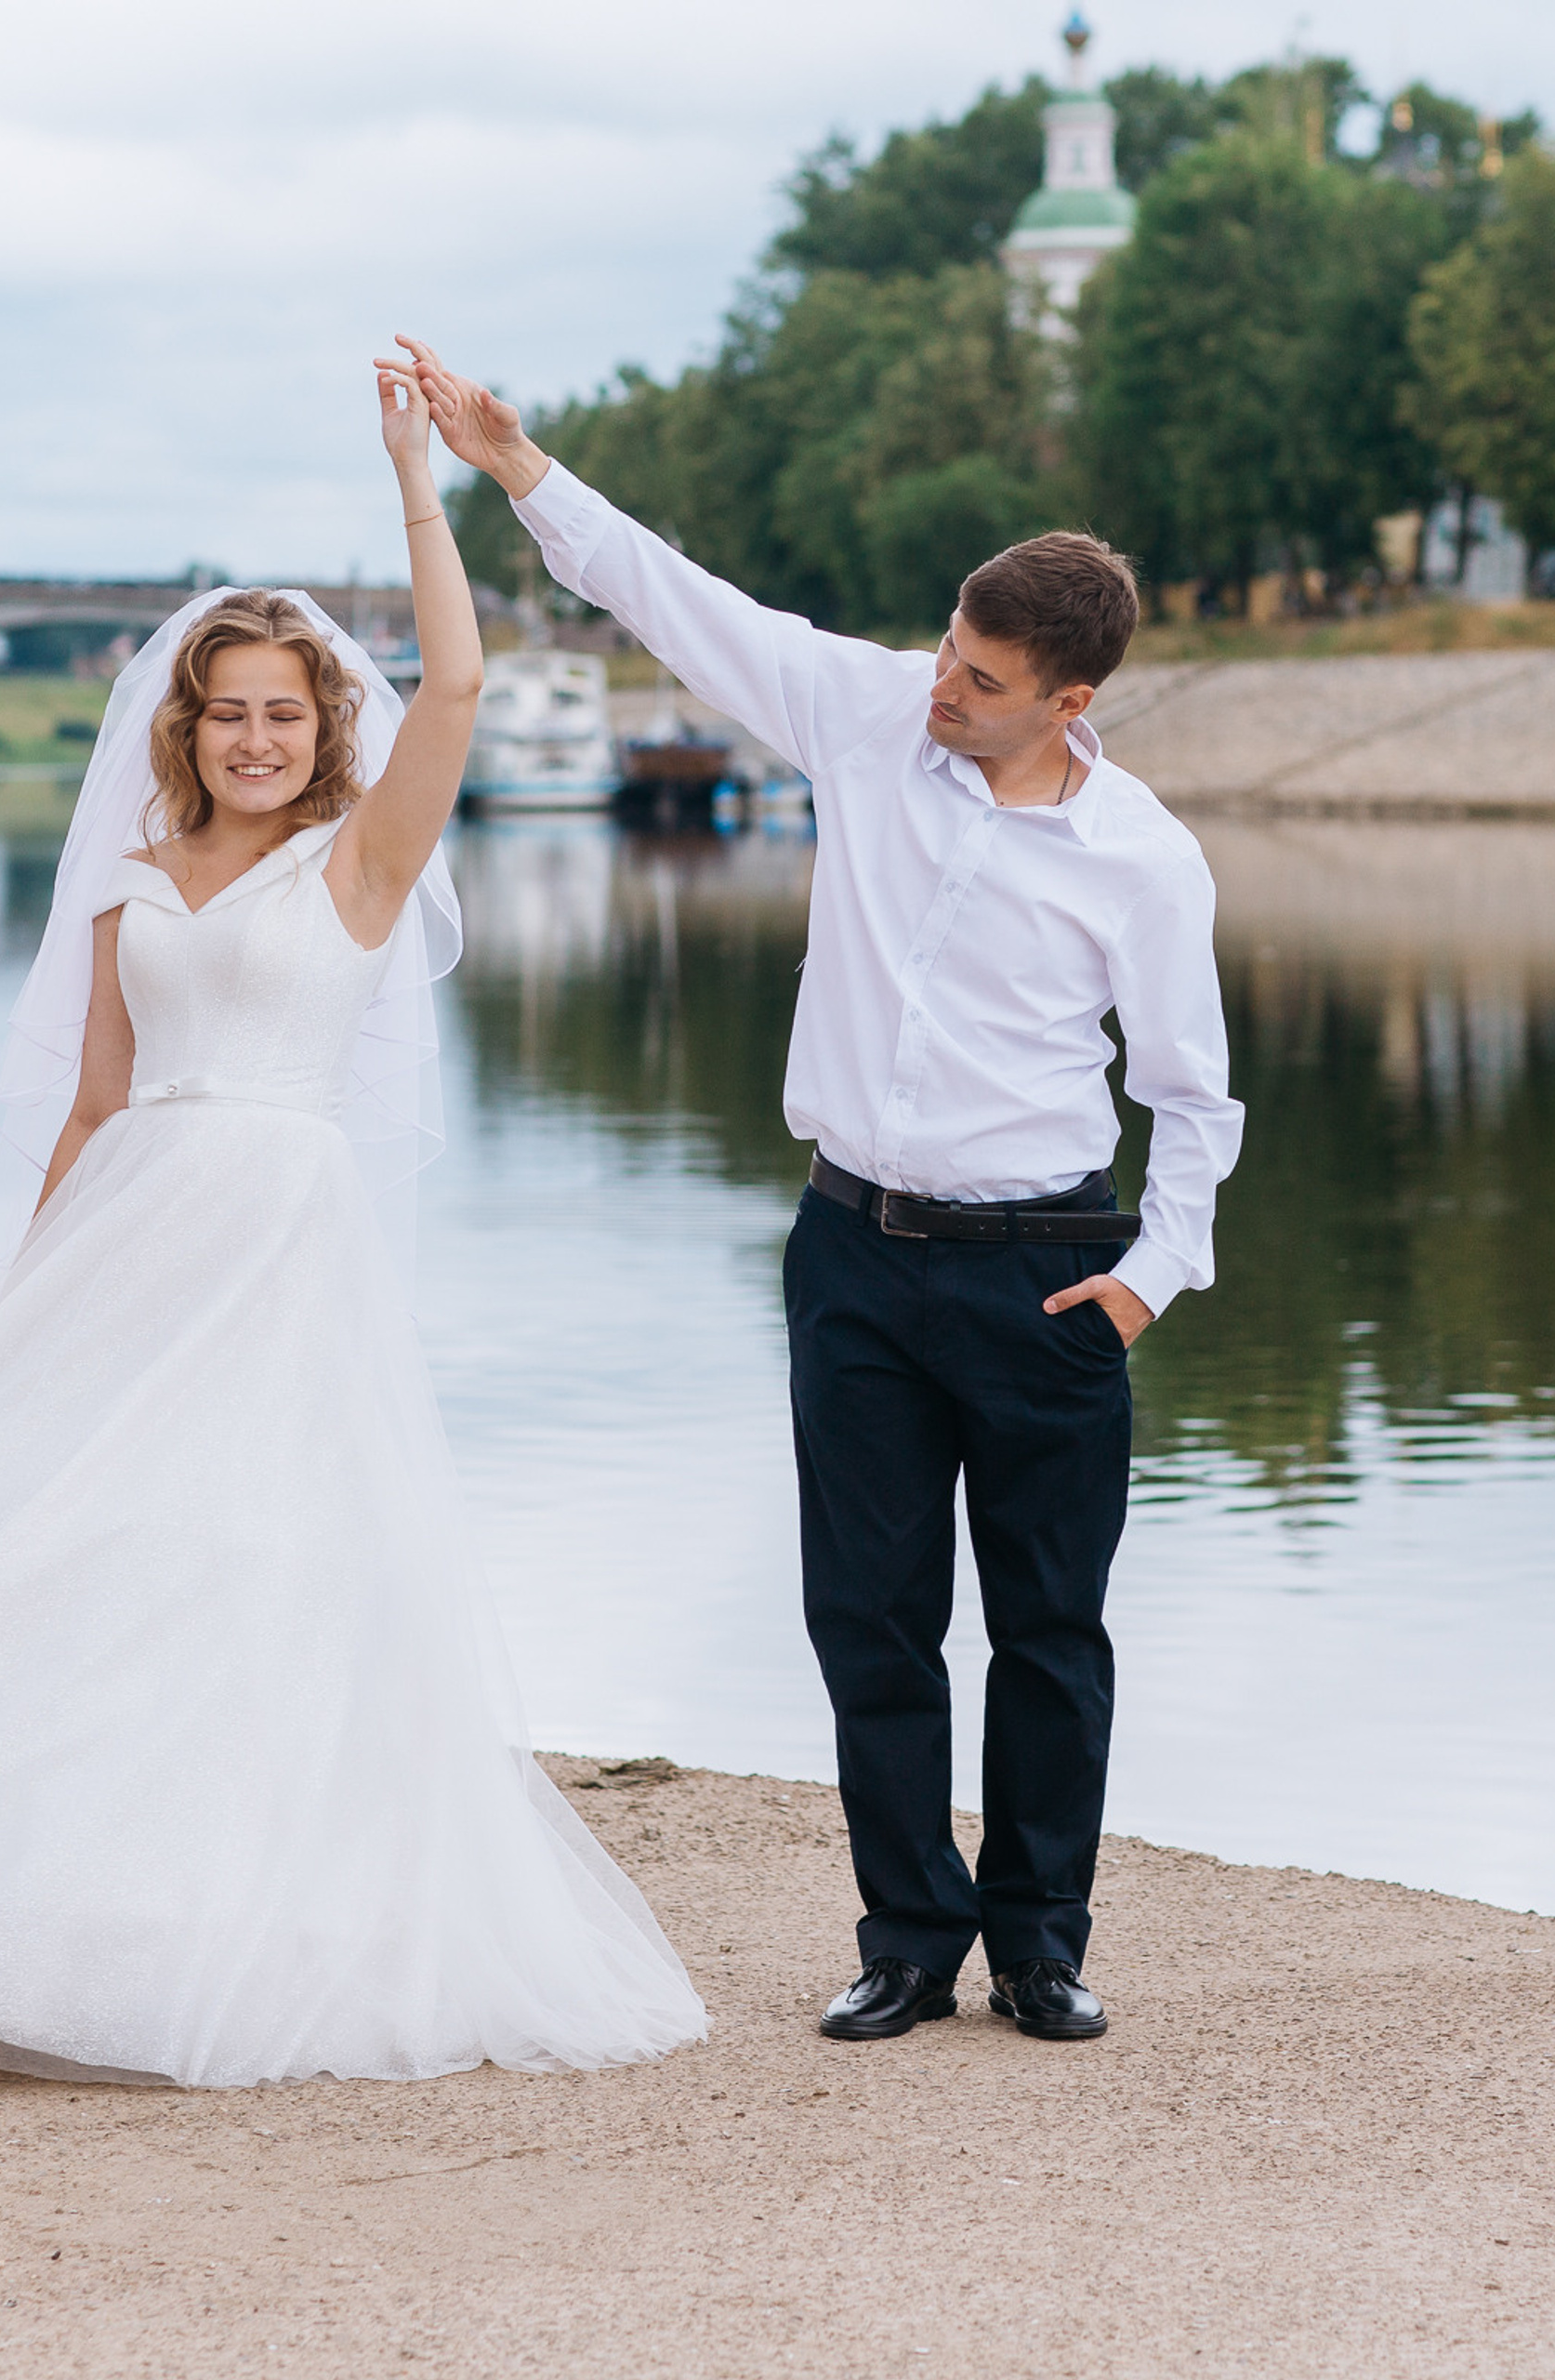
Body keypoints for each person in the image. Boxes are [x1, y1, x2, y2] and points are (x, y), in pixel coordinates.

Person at [0, 352, 707, 2088]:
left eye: (286, 709)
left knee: (254, 1553)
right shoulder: (124, 876)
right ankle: (20, 1905)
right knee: (62, 1545)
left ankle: (224, 1922)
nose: (258, 736)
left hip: (279, 1234)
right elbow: (98, 1100)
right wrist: (26, 1295)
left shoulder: (361, 865)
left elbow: (464, 685)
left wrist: (423, 483)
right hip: (129, 1228)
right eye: (228, 711)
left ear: (327, 724)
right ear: (183, 727)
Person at [407, 338, 1244, 2046]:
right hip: (853, 1249)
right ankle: (907, 1942)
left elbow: (1190, 1094)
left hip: (1048, 1274)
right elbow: (684, 602)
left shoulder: (1144, 862)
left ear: (1071, 701)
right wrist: (518, 466)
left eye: (987, 678)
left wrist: (1157, 1274)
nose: (946, 685)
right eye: (949, 645)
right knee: (866, 1617)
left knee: (1049, 1627)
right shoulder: (868, 715)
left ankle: (1041, 1947)